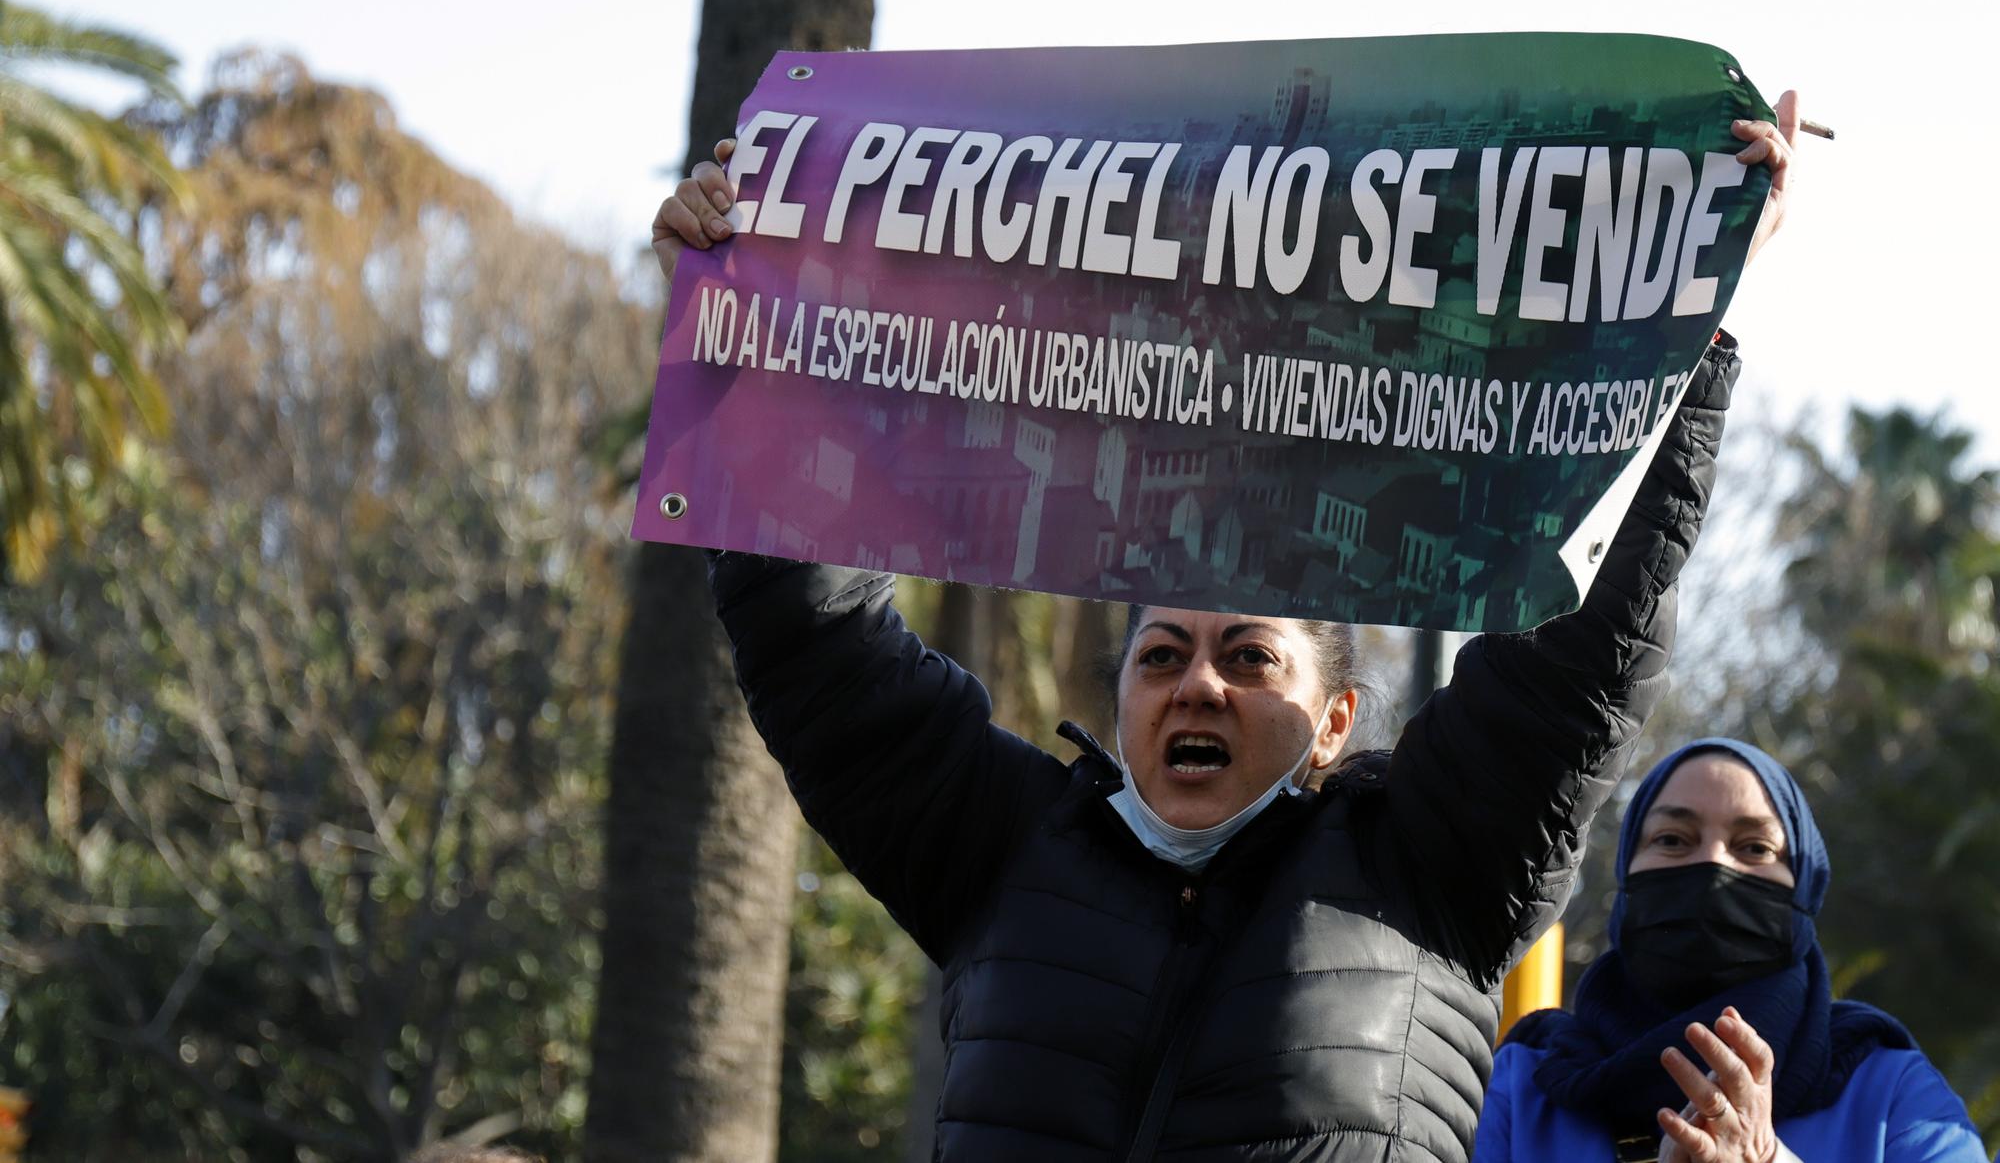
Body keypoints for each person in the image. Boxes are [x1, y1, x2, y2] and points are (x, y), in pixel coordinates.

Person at [650, 100, 1796, 1162]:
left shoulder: (1439, 867)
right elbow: (815, 640)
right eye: (1160, 655)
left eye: (1248, 655)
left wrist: (1680, 321)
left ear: (1333, 722)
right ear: (1120, 704)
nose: (1195, 683)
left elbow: (1577, 654)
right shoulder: (1004, 849)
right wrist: (733, 329)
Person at [1472, 739, 1986, 1163]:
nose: (1714, 867)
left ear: (1803, 889)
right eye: (1673, 839)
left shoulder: (1888, 1090)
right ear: (1627, 877)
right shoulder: (1524, 1084)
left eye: (1754, 848)